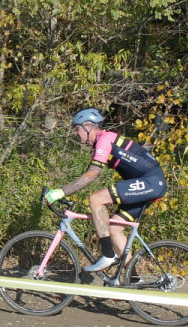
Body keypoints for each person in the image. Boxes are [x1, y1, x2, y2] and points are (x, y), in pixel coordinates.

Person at [43, 107, 168, 273]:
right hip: (150, 183)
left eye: (77, 128)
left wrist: (60, 192)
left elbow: (91, 175)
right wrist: (65, 191)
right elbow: (88, 174)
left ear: (88, 126)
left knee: (96, 199)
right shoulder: (102, 142)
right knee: (114, 229)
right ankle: (133, 278)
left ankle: (108, 255)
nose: (75, 133)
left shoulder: (104, 140)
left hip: (150, 182)